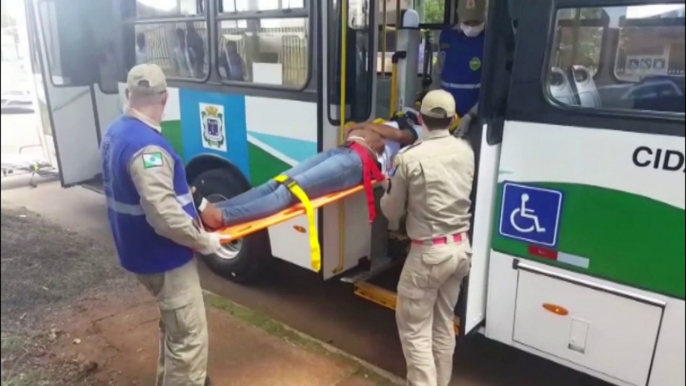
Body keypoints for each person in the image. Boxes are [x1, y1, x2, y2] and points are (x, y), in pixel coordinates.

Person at [100, 64, 220, 386]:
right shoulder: (149, 148)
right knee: (188, 341)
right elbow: (164, 214)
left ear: (129, 94)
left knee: (174, 331)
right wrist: (203, 241)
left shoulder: (117, 132)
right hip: (165, 259)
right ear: (165, 98)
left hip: (140, 254)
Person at [381, 90, 474, 386]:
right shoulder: (466, 150)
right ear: (452, 119)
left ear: (420, 118)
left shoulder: (409, 158)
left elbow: (392, 212)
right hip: (460, 250)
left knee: (415, 331)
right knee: (443, 325)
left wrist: (386, 188)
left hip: (428, 256)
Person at [195, 113, 422, 229]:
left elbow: (400, 136)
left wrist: (366, 129)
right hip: (344, 152)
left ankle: (222, 217)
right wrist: (366, 131)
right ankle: (214, 209)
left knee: (288, 193)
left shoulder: (414, 133)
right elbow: (349, 128)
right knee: (277, 182)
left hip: (356, 163)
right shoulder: (386, 126)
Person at [432, 0, 486, 136]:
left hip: (475, 115)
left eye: (475, 22)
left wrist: (471, 115)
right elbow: (438, 70)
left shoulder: (491, 39)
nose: (471, 27)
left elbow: (493, 86)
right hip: (446, 112)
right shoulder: (447, 36)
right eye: (467, 23)